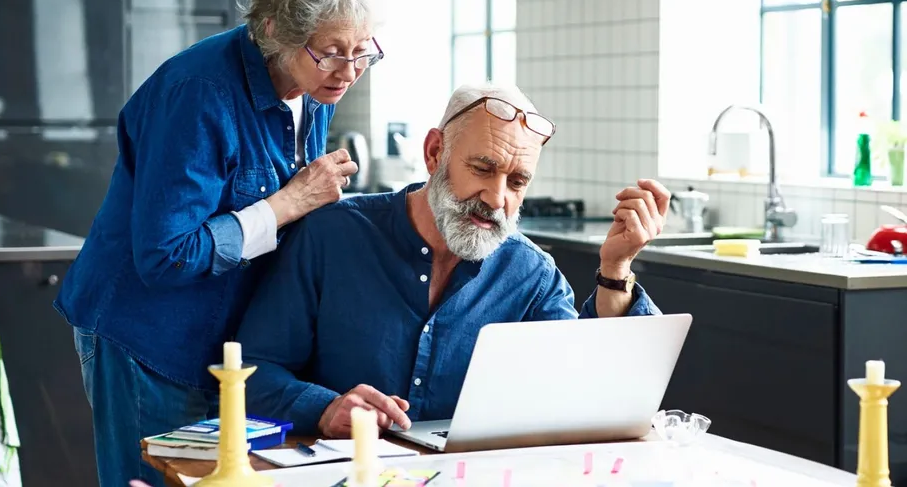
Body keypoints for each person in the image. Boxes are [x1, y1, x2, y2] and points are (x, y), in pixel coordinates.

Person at [52, 0, 383, 486]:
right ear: (276, 30)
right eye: (331, 52)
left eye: (363, 50)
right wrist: (287, 203)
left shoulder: (313, 84)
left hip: (224, 344)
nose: (349, 71)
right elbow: (165, 256)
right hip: (151, 339)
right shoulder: (199, 93)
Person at [235, 82, 669, 438]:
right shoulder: (331, 235)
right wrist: (325, 407)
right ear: (434, 152)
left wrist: (616, 270)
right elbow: (250, 372)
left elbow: (587, 391)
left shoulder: (530, 274)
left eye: (517, 181)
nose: (497, 199)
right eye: (483, 168)